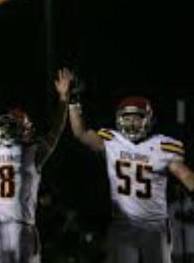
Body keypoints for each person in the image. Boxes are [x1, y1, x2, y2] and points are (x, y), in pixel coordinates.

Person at [0, 68, 72, 263]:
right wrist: (63, 99)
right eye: (7, 127)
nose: (7, 131)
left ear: (24, 129)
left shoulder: (23, 152)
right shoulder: (25, 152)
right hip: (4, 228)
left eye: (12, 126)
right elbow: (55, 131)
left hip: (17, 228)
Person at [68, 95, 194, 263]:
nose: (131, 122)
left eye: (137, 117)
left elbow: (184, 174)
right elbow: (80, 133)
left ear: (148, 120)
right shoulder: (112, 140)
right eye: (126, 118)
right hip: (123, 223)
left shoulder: (162, 146)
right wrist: (73, 104)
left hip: (154, 225)